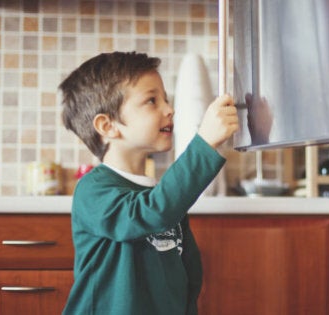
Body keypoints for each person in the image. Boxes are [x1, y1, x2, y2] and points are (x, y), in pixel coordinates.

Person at [59, 51, 239, 314]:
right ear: (108, 126)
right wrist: (205, 143)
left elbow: (188, 274)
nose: (170, 109)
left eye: (165, 99)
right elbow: (149, 212)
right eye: (152, 101)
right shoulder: (93, 189)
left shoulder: (161, 196)